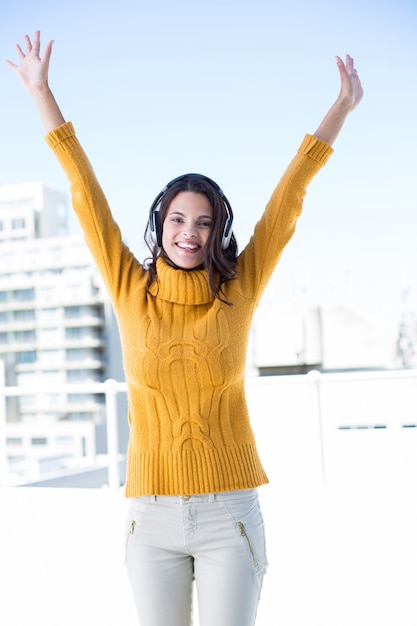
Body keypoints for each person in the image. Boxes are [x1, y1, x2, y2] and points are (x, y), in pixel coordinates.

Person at [6, 31, 363, 626]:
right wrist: (43, 94)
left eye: (203, 222)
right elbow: (85, 194)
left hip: (230, 515)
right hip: (150, 517)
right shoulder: (129, 288)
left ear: (217, 231)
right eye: (178, 219)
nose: (189, 233)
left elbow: (288, 198)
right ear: (161, 225)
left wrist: (341, 108)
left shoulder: (238, 290)